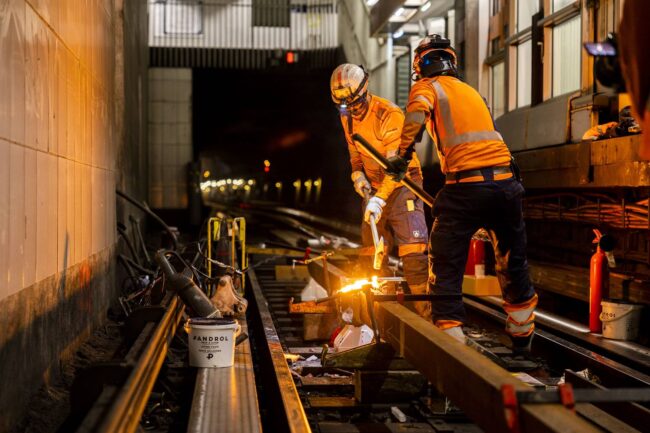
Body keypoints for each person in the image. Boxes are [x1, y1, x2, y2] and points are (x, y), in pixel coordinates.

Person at [386, 35, 537, 351]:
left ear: (420, 65)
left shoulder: (427, 87)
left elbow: (415, 116)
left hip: (466, 184)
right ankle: (522, 332)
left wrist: (402, 155)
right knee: (512, 258)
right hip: (507, 183)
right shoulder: (472, 92)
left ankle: (450, 331)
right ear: (452, 61)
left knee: (445, 257)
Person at [330, 63, 430, 320]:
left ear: (365, 90)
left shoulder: (389, 115)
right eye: (345, 106)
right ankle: (380, 312)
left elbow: (396, 169)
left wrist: (380, 199)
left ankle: (425, 317)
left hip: (404, 184)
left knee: (413, 252)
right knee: (373, 251)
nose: (351, 109)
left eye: (355, 103)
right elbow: (355, 151)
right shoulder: (347, 116)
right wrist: (357, 173)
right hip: (374, 188)